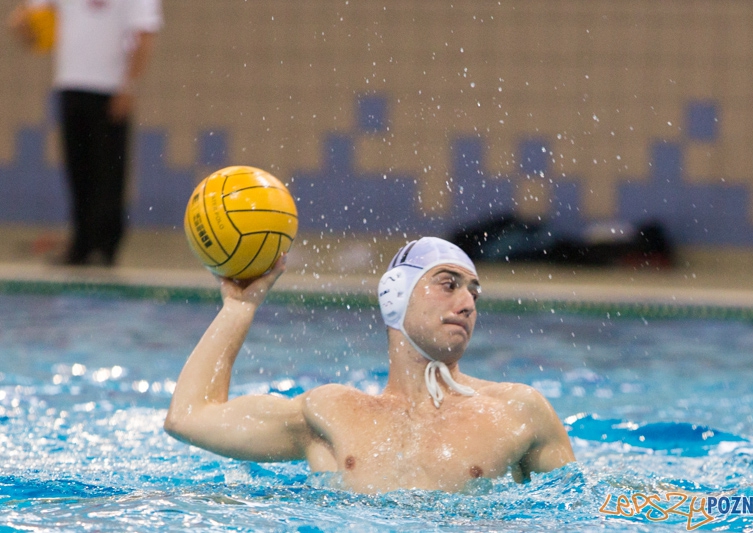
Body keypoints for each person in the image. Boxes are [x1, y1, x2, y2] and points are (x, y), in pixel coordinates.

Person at [164, 237, 575, 493]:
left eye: (473, 293)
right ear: (396, 296)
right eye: (448, 284)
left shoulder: (518, 411)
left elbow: (580, 514)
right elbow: (188, 418)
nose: (466, 303)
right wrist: (239, 310)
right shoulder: (331, 413)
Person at [8, 0, 162, 266]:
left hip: (110, 89)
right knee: (78, 170)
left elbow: (145, 35)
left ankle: (106, 247)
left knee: (109, 172)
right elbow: (28, 19)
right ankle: (81, 245)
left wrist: (129, 85)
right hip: (70, 84)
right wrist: (23, 27)